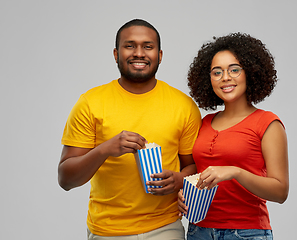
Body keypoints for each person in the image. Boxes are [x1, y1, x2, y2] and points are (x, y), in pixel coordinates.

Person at [58, 19, 201, 240]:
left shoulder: (184, 105)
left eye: (148, 46)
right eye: (129, 45)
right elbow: (66, 179)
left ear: (160, 55)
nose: (139, 53)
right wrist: (105, 149)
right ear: (116, 54)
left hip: (165, 227)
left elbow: (193, 165)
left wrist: (179, 179)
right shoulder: (90, 103)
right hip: (106, 230)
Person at [178, 33, 289, 240]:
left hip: (246, 233)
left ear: (251, 72)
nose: (225, 78)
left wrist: (235, 172)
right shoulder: (204, 123)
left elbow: (281, 191)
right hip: (198, 231)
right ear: (207, 79)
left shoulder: (267, 123)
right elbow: (194, 172)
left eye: (234, 70)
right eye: (217, 72)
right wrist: (184, 193)